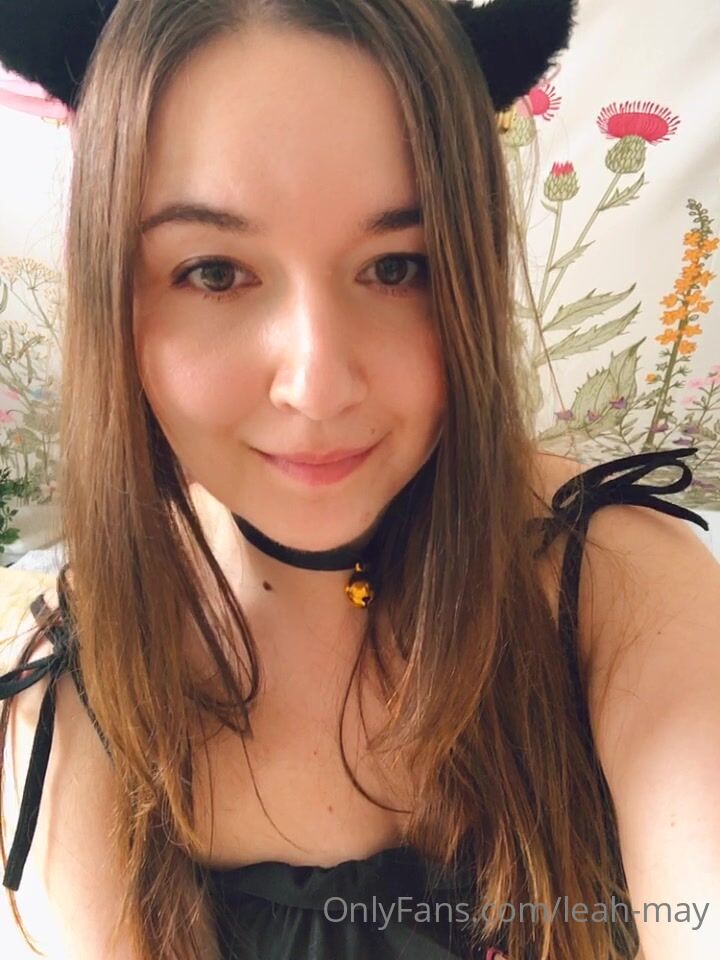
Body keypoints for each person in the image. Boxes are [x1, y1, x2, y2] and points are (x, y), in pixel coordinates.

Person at [1, 1, 719, 958]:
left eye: (396, 267)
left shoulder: (619, 593)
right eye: (214, 273)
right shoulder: (78, 709)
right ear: (117, 296)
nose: (318, 384)